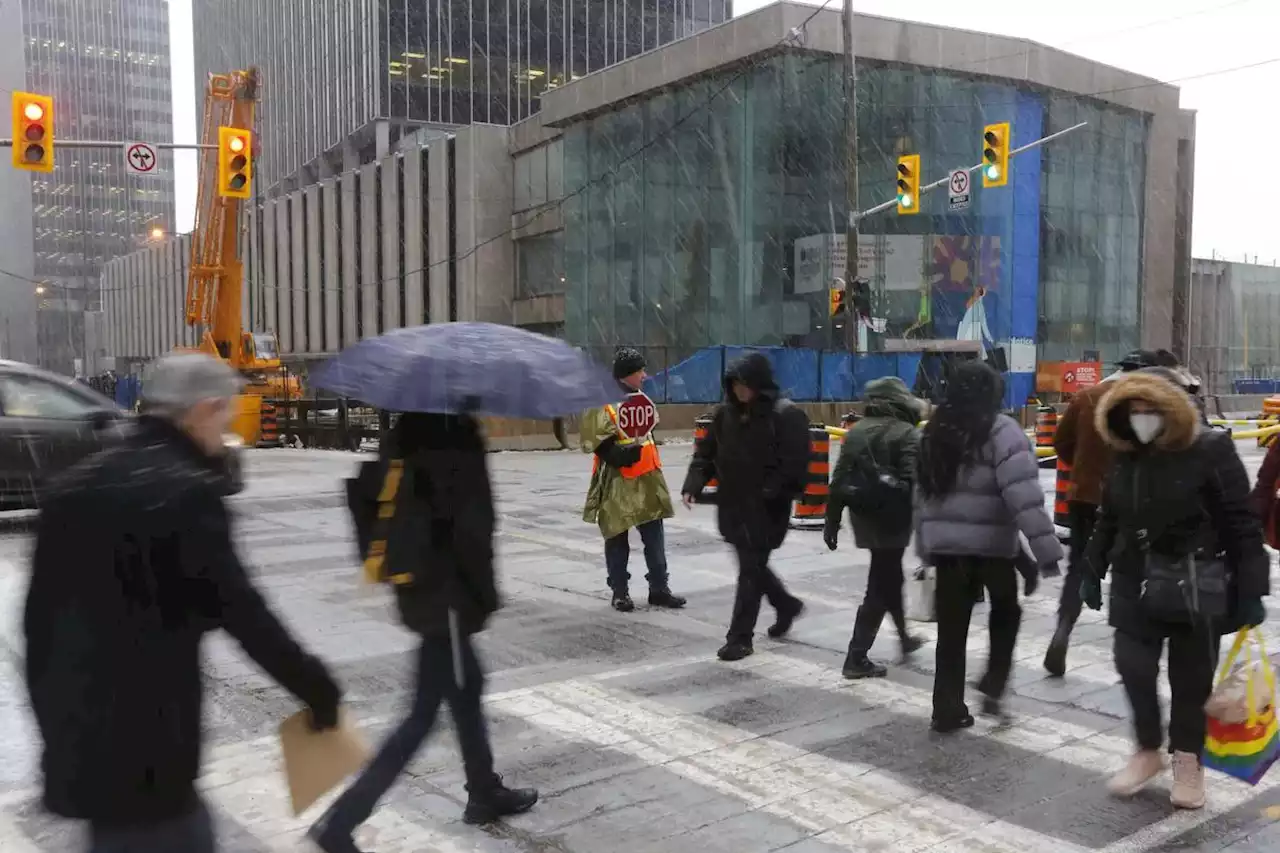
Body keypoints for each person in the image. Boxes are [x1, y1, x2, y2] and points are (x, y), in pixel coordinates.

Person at [23, 353, 343, 853]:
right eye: (226, 414)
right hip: (149, 737)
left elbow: (37, 630)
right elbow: (242, 612)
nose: (227, 429)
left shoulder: (73, 488)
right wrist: (316, 687)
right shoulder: (184, 495)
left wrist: (58, 734)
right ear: (203, 410)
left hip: (82, 734)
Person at [312, 412, 537, 852]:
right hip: (448, 598)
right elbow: (471, 530)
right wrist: (479, 597)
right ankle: (340, 822)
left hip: (426, 592)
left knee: (467, 689)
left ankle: (483, 791)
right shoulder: (450, 437)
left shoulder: (408, 432)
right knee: (421, 717)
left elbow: (373, 497)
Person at [1082, 369, 1268, 810]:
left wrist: (1250, 590)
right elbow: (1109, 516)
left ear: (1171, 410)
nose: (1142, 418)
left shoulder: (1209, 449)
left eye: (1151, 410)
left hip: (1195, 580)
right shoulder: (1124, 451)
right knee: (1133, 667)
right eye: (1134, 411)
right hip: (1134, 578)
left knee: (1190, 682)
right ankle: (1147, 750)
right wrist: (1092, 566)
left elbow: (1241, 523)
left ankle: (1188, 759)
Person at [915, 361, 1063, 732]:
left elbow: (921, 495)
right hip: (993, 551)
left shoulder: (935, 431)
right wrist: (1044, 554)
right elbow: (1024, 499)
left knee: (951, 632)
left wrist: (925, 544)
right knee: (1006, 613)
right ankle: (994, 682)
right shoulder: (1002, 431)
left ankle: (946, 707)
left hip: (949, 554)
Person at [681, 352, 810, 661]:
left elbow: (795, 463)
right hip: (734, 505)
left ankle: (740, 637)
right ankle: (785, 604)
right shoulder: (724, 415)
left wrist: (771, 489)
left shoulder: (785, 415)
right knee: (752, 566)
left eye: (745, 385)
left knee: (750, 571)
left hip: (766, 508)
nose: (740, 391)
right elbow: (706, 454)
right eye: (735, 385)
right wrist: (693, 483)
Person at [1046, 348, 1165, 676]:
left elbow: (1060, 443)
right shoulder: (1146, 405)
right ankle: (1132, 650)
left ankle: (1063, 630)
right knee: (1131, 572)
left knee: (1079, 568)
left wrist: (1084, 468)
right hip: (1131, 503)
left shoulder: (1087, 397)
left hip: (1085, 498)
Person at [824, 377, 925, 678]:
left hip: (864, 516)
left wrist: (831, 519)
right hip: (894, 518)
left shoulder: (856, 432)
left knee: (888, 575)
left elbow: (840, 479)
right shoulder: (907, 433)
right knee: (880, 585)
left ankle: (904, 638)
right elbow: (914, 484)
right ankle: (856, 657)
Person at [580, 348, 685, 612]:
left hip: (648, 477)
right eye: (640, 370)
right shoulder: (603, 402)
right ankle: (620, 591)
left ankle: (659, 588)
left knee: (654, 537)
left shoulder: (641, 399)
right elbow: (596, 441)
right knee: (617, 537)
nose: (645, 375)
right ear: (628, 374)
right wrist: (619, 455)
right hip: (618, 481)